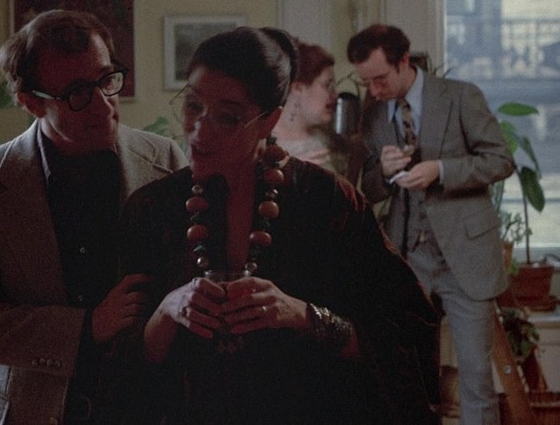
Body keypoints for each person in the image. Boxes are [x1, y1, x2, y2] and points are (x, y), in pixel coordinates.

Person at [118, 26, 440, 424]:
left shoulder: (326, 201)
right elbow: (122, 370)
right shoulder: (152, 209)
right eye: (193, 105)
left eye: (228, 116)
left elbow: (409, 337)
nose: (200, 128)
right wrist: (168, 310)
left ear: (269, 121)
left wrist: (304, 316)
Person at [0, 9, 188, 424]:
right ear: (31, 102)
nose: (103, 105)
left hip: (138, 406)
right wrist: (85, 328)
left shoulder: (164, 159)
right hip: (22, 411)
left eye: (106, 80)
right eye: (77, 93)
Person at [347, 23, 515, 424]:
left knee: (475, 379)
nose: (374, 90)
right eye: (366, 82)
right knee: (413, 382)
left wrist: (441, 170)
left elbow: (500, 161)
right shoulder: (373, 115)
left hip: (465, 260)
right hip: (408, 263)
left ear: (404, 61)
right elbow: (367, 190)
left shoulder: (460, 96)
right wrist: (384, 172)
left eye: (380, 79)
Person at [272, 39, 366, 184]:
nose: (335, 94)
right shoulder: (266, 142)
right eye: (327, 85)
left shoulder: (332, 139)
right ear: (298, 88)